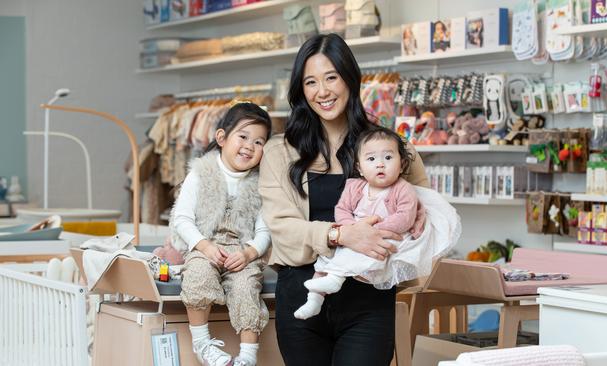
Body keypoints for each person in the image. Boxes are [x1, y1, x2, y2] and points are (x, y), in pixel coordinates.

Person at [258, 33, 429, 366]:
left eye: (331, 77)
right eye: (310, 82)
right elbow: (281, 228)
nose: (322, 91)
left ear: (350, 78)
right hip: (300, 300)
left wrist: (422, 214)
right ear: (300, 89)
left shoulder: (390, 149)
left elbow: (427, 211)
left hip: (369, 304)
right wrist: (341, 234)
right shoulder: (280, 152)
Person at [294, 127, 440, 320]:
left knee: (352, 260)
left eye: (388, 158)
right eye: (371, 159)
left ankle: (334, 280)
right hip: (354, 236)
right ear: (360, 168)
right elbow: (342, 209)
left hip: (384, 240)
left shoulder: (403, 189)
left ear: (402, 164)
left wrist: (373, 231)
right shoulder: (355, 187)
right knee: (325, 260)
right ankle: (314, 301)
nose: (380, 164)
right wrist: (352, 229)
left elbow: (405, 217)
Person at [169, 102, 273, 366]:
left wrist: (249, 252)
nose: (250, 145)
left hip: (241, 251)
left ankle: (247, 357)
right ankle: (202, 343)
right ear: (222, 138)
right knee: (199, 276)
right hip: (205, 247)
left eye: (259, 141)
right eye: (243, 137)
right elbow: (182, 218)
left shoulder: (261, 183)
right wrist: (203, 246)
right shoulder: (201, 173)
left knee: (247, 286)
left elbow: (264, 230)